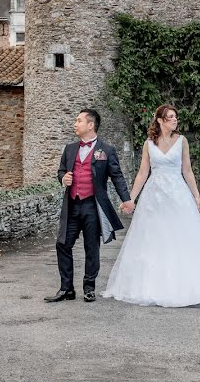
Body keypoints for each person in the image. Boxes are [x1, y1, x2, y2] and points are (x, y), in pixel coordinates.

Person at [102, 104, 200, 307]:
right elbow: (143, 173)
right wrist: (131, 199)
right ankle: (153, 285)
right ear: (160, 120)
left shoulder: (182, 141)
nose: (175, 120)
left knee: (182, 235)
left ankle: (188, 286)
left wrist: (196, 196)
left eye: (175, 116)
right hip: (154, 196)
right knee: (153, 238)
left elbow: (187, 171)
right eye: (170, 117)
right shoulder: (148, 144)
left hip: (177, 193)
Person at [44, 109, 135, 303]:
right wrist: (63, 178)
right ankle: (66, 288)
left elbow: (117, 176)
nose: (75, 124)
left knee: (91, 247)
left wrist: (126, 199)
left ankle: (89, 288)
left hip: (93, 206)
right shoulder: (69, 149)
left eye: (79, 121)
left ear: (90, 125)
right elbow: (61, 171)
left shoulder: (107, 150)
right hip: (72, 205)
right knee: (62, 244)